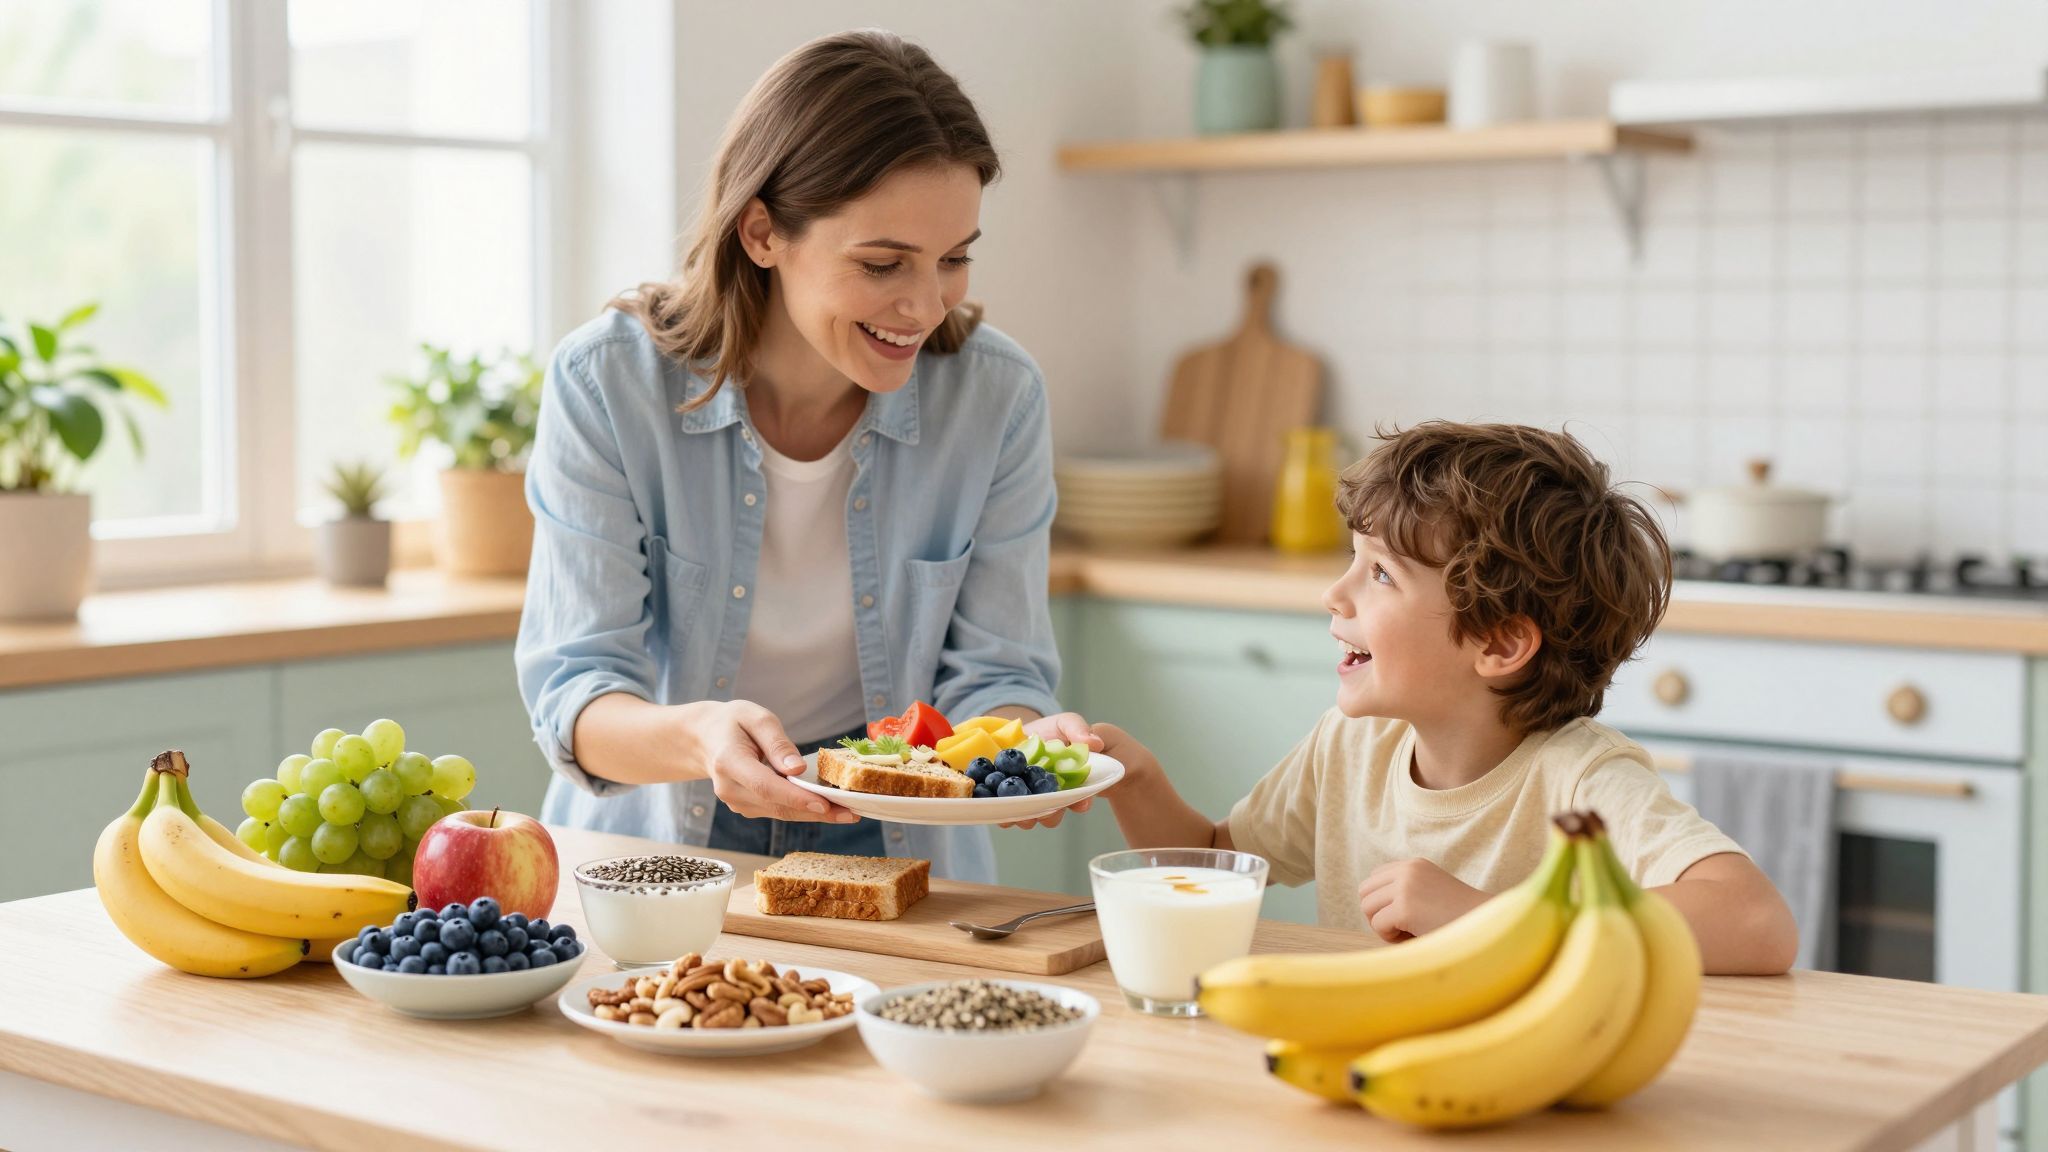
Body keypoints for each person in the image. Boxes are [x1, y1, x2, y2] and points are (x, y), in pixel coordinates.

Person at [515, 30, 1093, 884]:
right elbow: (577, 695)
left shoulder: (995, 397)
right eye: (883, 262)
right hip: (662, 838)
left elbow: (995, 673)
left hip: (903, 836)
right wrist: (701, 736)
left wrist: (1022, 738)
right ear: (761, 233)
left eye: (955, 258)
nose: (926, 304)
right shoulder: (609, 385)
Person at [1091, 421, 1798, 974]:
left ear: (1497, 643)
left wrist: (1489, 920)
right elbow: (1214, 861)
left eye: (1381, 576)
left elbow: (1757, 922)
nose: (1334, 594)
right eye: (1351, 562)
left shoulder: (1582, 780)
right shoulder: (1352, 747)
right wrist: (1134, 779)